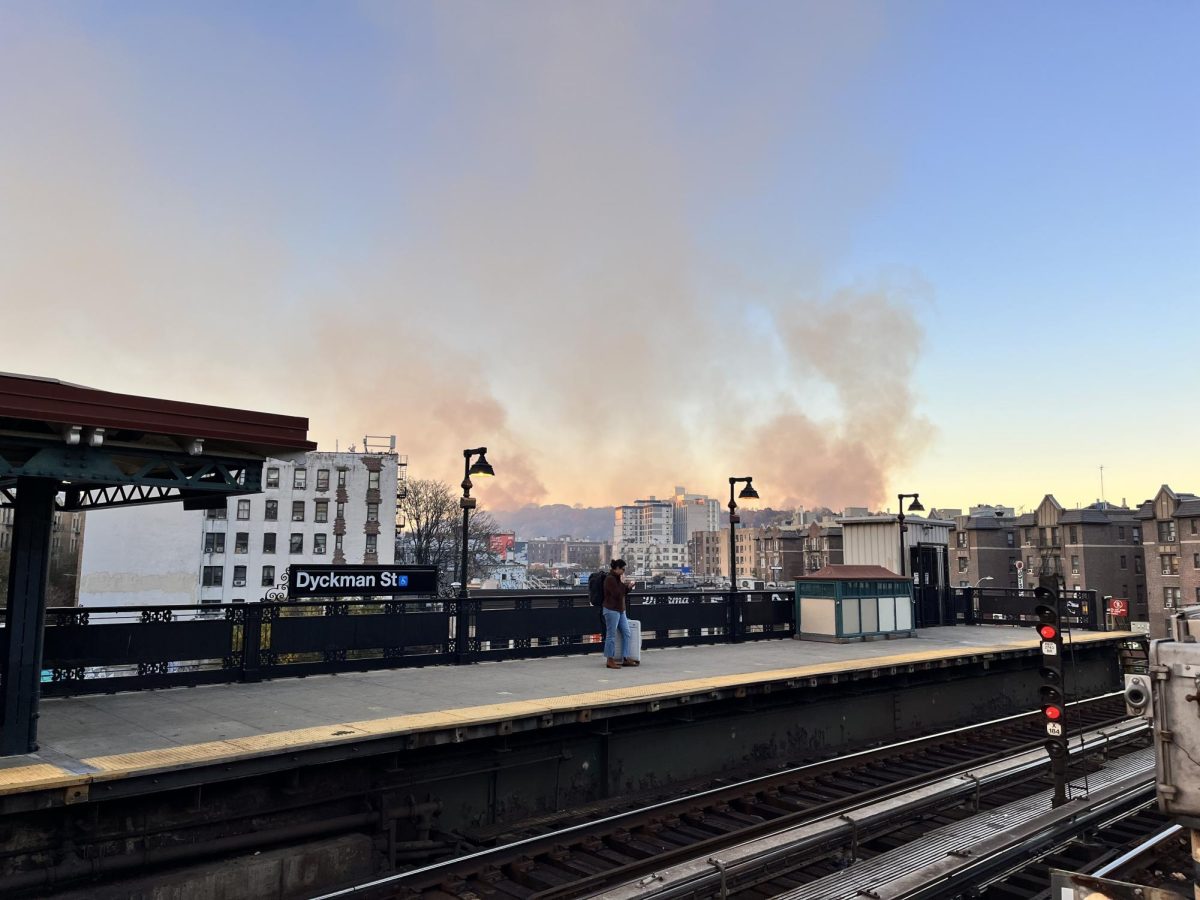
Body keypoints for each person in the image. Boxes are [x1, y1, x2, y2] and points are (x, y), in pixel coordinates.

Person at [602, 558, 638, 669]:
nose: (623, 571)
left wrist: (628, 587)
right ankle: (609, 659)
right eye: (622, 569)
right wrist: (624, 586)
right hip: (611, 610)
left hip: (620, 610)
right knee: (611, 636)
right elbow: (617, 594)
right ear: (617, 568)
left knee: (627, 633)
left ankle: (625, 657)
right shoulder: (610, 579)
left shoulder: (617, 579)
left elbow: (623, 592)